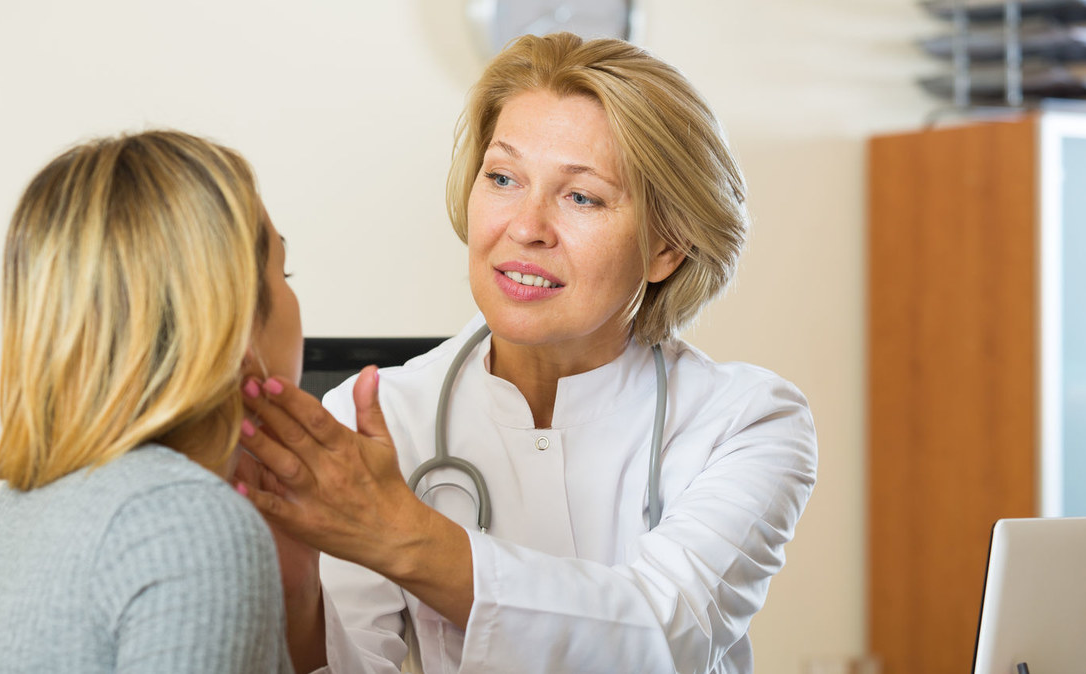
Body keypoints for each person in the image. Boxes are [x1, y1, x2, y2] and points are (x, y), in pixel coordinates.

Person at [236, 33, 818, 673]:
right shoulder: (380, 415)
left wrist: (404, 537)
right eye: (504, 178)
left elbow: (662, 636)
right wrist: (294, 586)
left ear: (666, 248)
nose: (525, 227)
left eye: (582, 196)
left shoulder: (745, 421)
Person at [0, 130, 308, 673]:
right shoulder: (190, 521)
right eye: (283, 271)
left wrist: (297, 589)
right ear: (236, 323)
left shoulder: (2, 526)